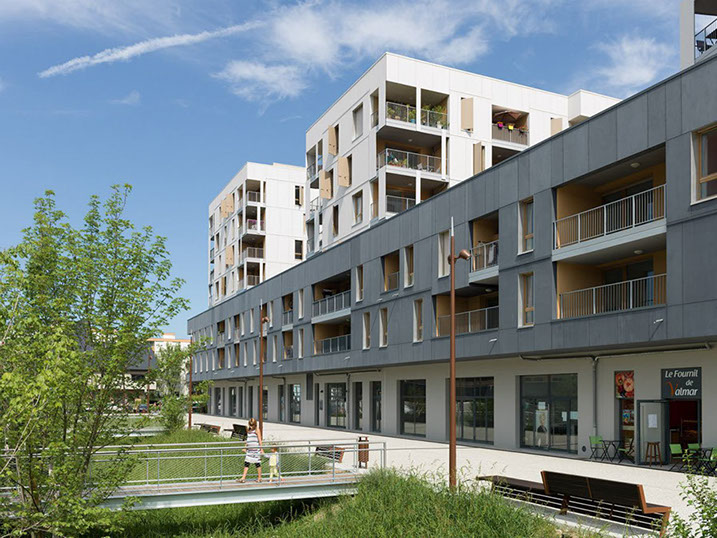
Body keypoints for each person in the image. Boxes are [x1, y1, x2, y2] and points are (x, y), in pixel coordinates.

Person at [238, 418, 263, 483]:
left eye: (252, 425)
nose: (251, 427)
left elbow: (260, 440)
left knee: (257, 464)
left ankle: (259, 478)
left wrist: (261, 449)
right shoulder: (248, 430)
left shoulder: (257, 430)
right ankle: (243, 477)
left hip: (256, 450)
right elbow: (248, 440)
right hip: (249, 450)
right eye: (250, 425)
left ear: (255, 425)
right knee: (246, 463)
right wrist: (245, 447)